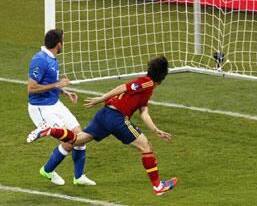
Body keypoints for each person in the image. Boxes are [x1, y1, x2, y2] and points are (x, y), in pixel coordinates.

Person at [27, 56, 178, 196]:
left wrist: (156, 130)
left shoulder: (148, 88)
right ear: (163, 75)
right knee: (146, 147)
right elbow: (123, 87)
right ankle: (158, 186)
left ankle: (50, 130)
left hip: (104, 115)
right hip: (117, 118)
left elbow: (144, 112)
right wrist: (101, 98)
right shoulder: (147, 82)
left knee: (77, 141)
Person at [27, 29, 95, 186]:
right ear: (59, 44)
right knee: (72, 139)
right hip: (41, 108)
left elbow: (48, 82)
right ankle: (48, 170)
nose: (64, 43)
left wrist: (64, 92)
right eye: (63, 41)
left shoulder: (52, 58)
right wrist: (58, 84)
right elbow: (31, 88)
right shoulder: (40, 60)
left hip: (55, 104)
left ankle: (78, 177)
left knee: (81, 136)